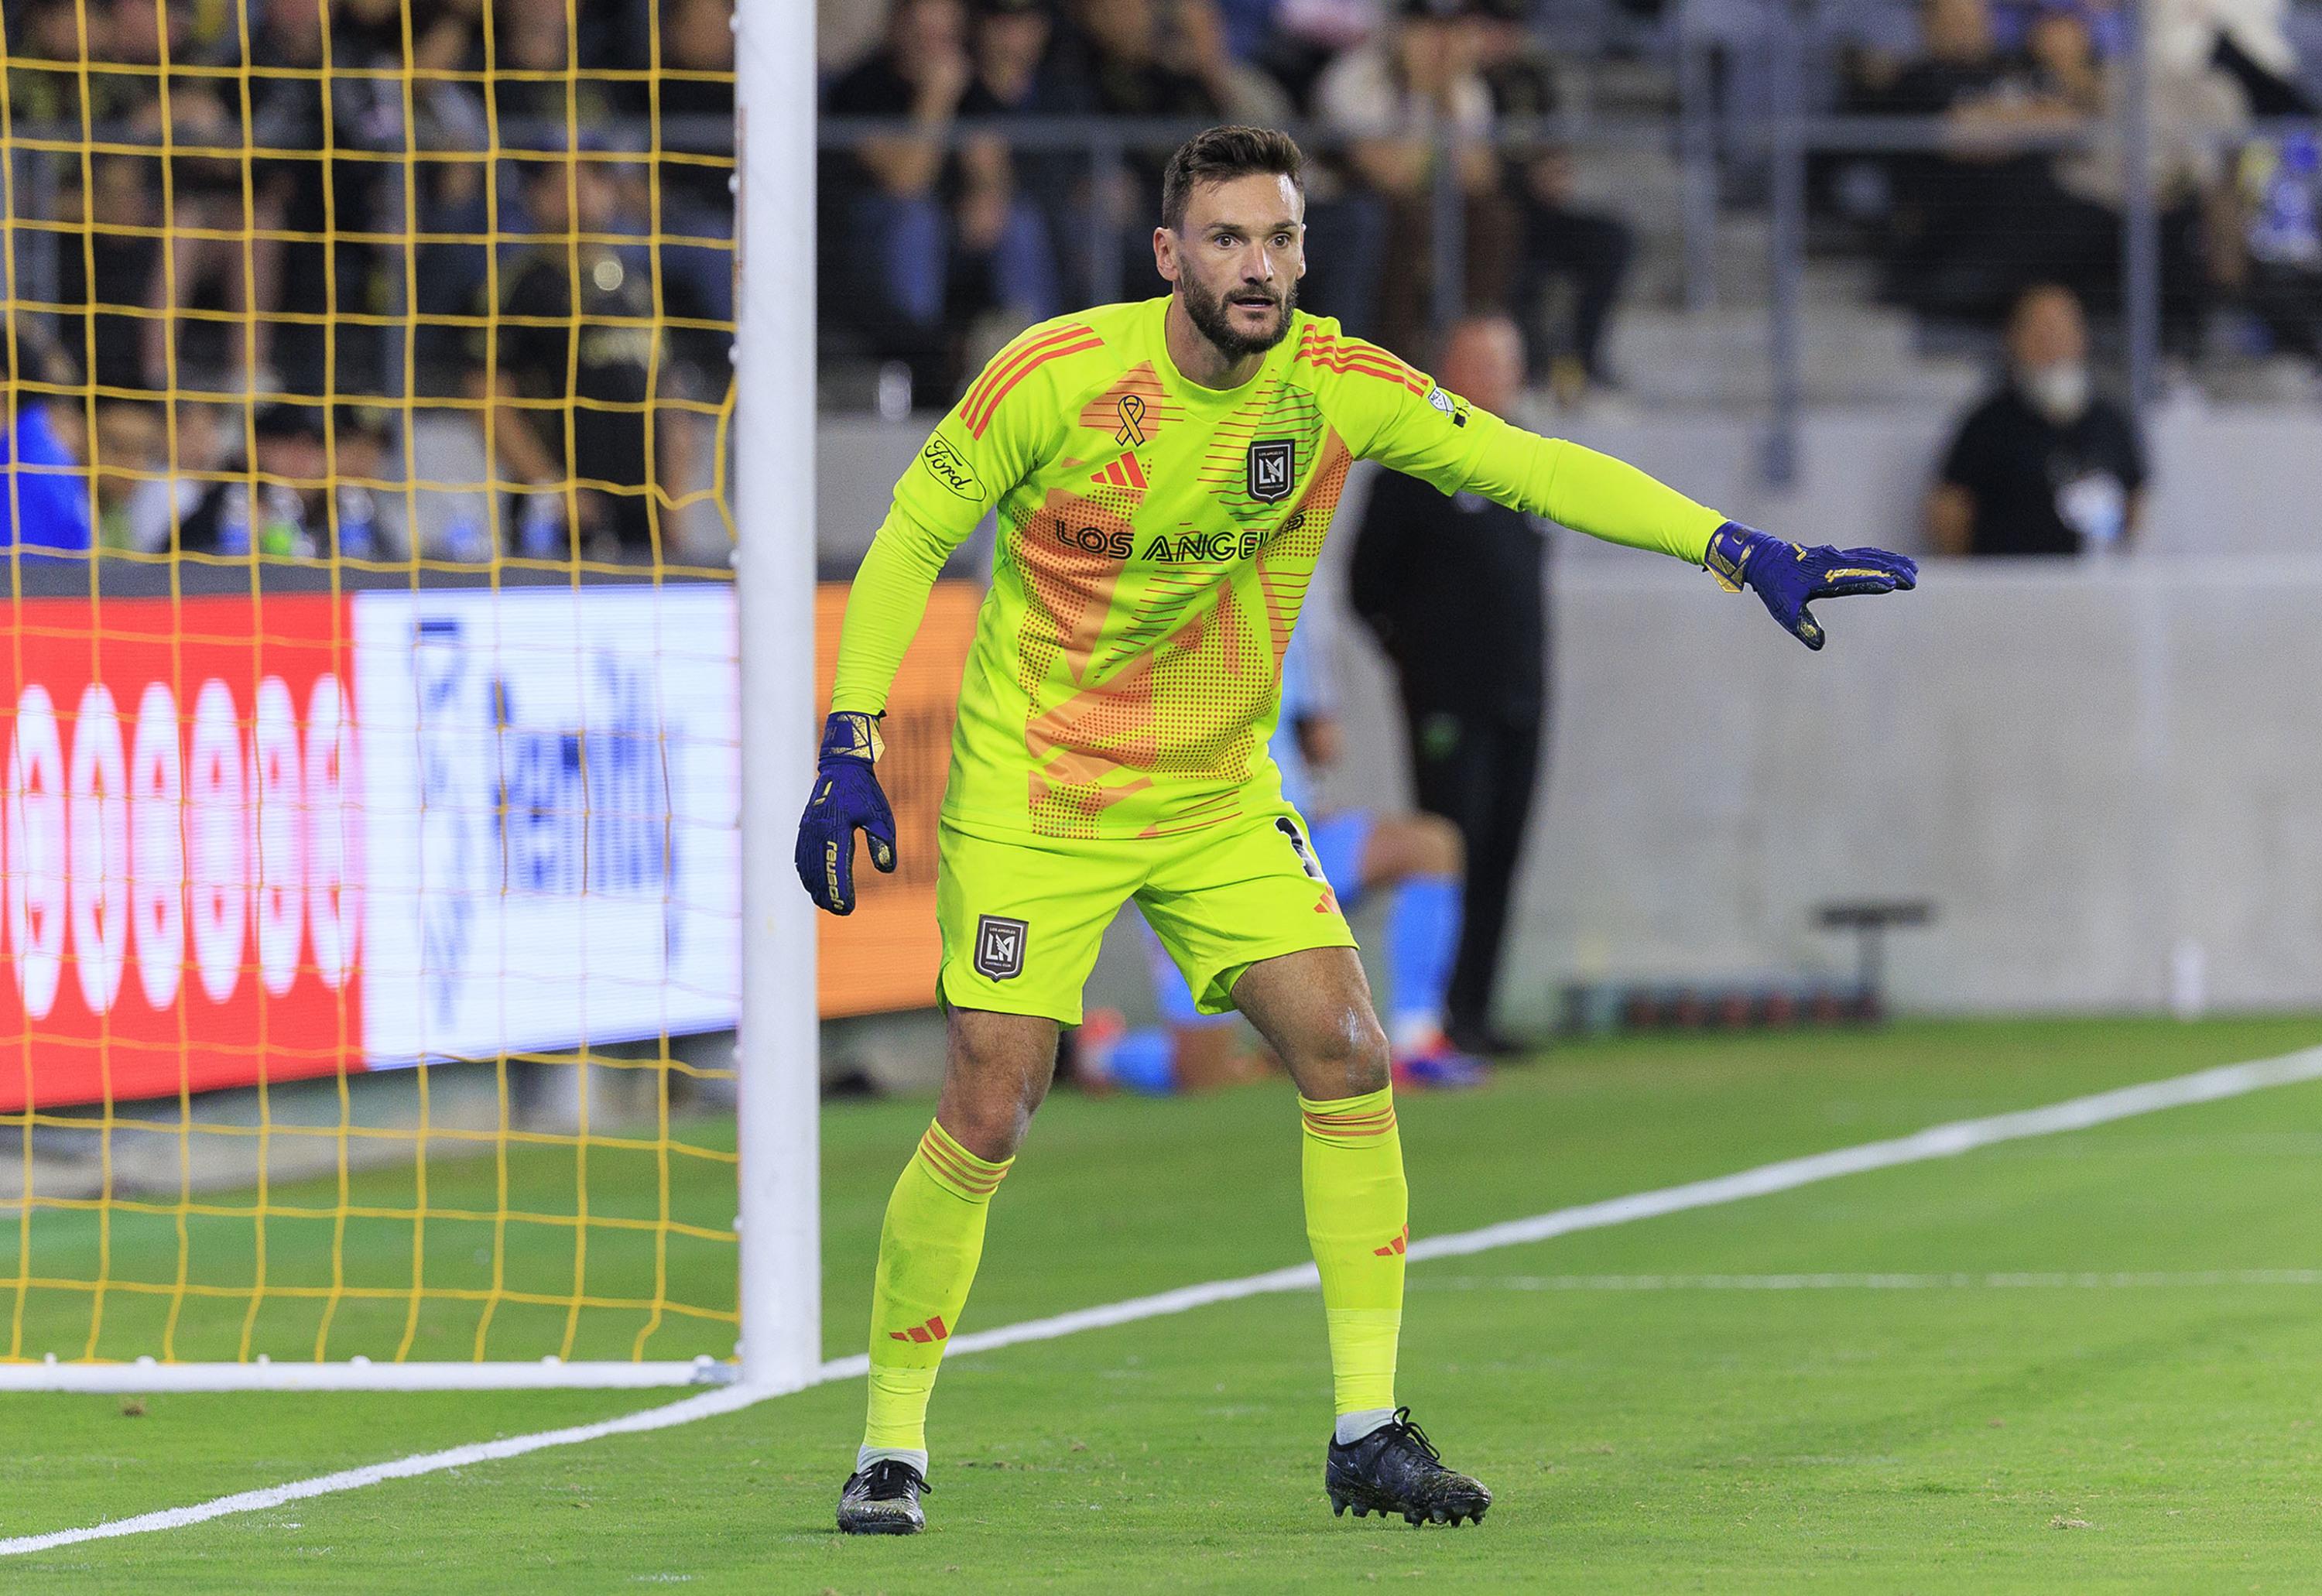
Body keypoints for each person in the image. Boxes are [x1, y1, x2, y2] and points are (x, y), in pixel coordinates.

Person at [797, 125, 1917, 1537]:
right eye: (1225, 239)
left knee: (1346, 1048)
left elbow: (1524, 464)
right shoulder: (1059, 376)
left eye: (1279, 239)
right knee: (991, 1101)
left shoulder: (1334, 388)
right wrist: (847, 742)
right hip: (1040, 792)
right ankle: (891, 1443)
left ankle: (1366, 1426)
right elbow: (907, 538)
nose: (1256, 266)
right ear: (1169, 256)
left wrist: (1732, 543)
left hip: (1213, 793)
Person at [1084, 613, 1485, 1095]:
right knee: (1203, 1079)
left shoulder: (1280, 617)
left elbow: (1320, 742)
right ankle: (1105, 1053)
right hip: (1194, 855)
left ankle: (1416, 1043)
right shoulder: (1158, 618)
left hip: (1291, 838)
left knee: (1430, 847)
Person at [1349, 312, 1546, 1056]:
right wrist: (1418, 662)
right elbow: (1367, 586)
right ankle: (1432, 1015)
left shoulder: (1524, 460)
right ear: (1449, 370)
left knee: (1501, 851)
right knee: (1451, 845)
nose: (1499, 376)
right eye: (1483, 362)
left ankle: (1476, 1012)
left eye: (1508, 362)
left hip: (1521, 694)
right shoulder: (1411, 466)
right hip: (1447, 701)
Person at [465, 149, 694, 562]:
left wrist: (673, 500)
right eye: (562, 182)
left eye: (592, 180)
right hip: (562, 520)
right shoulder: (519, 287)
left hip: (645, 515)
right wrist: (551, 489)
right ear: (536, 196)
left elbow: (671, 399)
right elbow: (485, 397)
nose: (580, 194)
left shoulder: (636, 286)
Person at [1927, 283, 2146, 557]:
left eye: (2060, 328)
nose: (2050, 341)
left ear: (2081, 336)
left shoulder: (2110, 422)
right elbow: (1951, 509)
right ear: (2013, 338)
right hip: (2006, 582)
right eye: (2038, 329)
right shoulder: (1987, 424)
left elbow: (2135, 499)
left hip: (2092, 582)